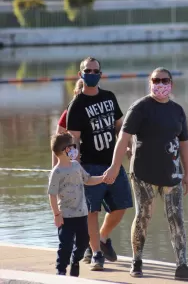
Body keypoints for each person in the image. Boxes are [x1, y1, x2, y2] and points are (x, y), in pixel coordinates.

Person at [103, 67, 188, 281]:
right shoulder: (140, 108)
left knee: (176, 219)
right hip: (142, 174)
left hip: (172, 175)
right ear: (150, 83)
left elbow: (184, 144)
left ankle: (181, 266)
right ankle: (137, 261)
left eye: (164, 80)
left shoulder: (177, 111)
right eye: (156, 80)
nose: (160, 84)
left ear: (171, 84)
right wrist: (114, 166)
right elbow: (122, 138)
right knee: (143, 216)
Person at [66, 56, 133, 271]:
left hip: (112, 162)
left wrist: (129, 147)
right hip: (90, 166)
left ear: (100, 74)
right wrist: (74, 164)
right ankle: (96, 254)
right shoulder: (76, 105)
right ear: (81, 74)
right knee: (91, 212)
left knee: (122, 206)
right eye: (88, 71)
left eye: (96, 71)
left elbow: (120, 127)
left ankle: (102, 238)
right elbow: (73, 139)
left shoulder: (109, 97)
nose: (92, 74)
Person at [48, 132, 107, 276]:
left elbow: (88, 179)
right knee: (65, 245)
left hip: (81, 214)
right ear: (65, 150)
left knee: (83, 242)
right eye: (73, 147)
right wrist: (56, 214)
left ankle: (76, 260)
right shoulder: (57, 172)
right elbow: (52, 194)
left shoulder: (76, 166)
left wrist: (103, 178)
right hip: (65, 216)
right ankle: (61, 270)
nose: (76, 149)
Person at [52, 79, 83, 168]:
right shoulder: (68, 113)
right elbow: (56, 143)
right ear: (75, 92)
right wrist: (55, 168)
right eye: (80, 94)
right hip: (73, 162)